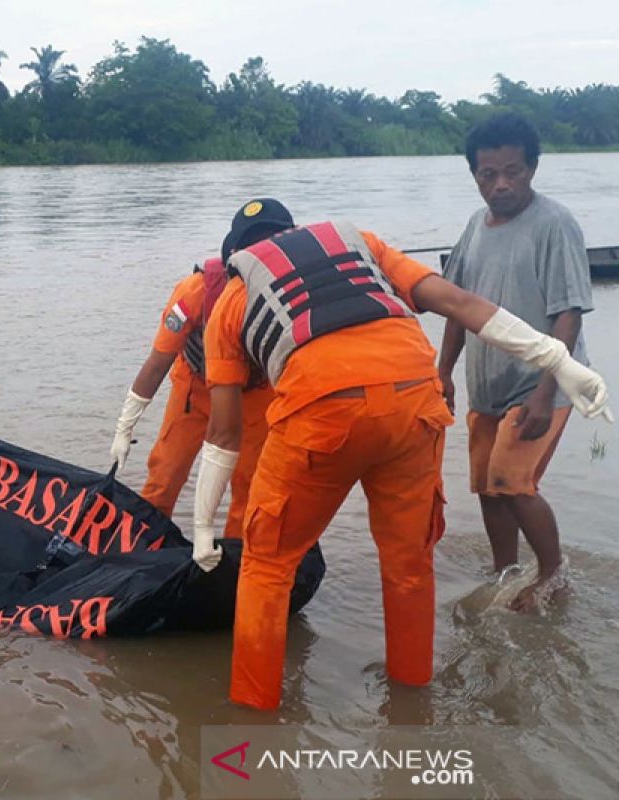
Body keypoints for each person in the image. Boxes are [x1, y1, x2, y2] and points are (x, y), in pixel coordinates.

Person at [191, 213, 610, 710]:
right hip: (416, 397)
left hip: (320, 411)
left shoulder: (232, 299)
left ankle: (252, 716)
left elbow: (223, 432)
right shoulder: (360, 244)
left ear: (235, 257)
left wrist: (201, 529)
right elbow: (459, 302)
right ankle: (411, 699)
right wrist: (558, 360)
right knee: (409, 565)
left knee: (267, 567)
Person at [438, 113, 595, 612]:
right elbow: (456, 306)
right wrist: (442, 373)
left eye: (514, 171)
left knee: (513, 483)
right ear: (475, 175)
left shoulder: (554, 224)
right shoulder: (473, 227)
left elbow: (567, 315)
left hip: (540, 384)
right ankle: (504, 571)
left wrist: (545, 394)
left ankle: (553, 576)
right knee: (487, 488)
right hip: (487, 385)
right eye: (489, 174)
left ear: (532, 168)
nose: (502, 184)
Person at [108, 200, 291, 548]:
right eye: (252, 245)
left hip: (254, 397)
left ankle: (238, 567)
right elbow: (157, 363)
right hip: (196, 391)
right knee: (165, 476)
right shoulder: (195, 292)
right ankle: (141, 553)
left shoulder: (294, 294)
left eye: (272, 242)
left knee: (251, 487)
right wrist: (124, 427)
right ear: (234, 252)